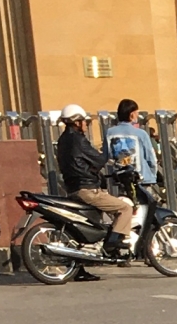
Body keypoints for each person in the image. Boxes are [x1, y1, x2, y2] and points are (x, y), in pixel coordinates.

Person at [55, 103, 135, 278]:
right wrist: (109, 154)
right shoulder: (78, 140)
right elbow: (98, 160)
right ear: (77, 122)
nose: (85, 125)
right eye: (84, 121)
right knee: (124, 208)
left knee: (90, 226)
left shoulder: (62, 140)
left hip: (73, 188)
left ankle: (79, 269)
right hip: (88, 189)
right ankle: (112, 244)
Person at [105, 98, 160, 192]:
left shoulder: (110, 133)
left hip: (120, 179)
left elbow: (107, 156)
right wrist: (152, 175)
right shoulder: (140, 134)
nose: (138, 115)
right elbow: (151, 158)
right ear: (132, 115)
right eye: (137, 113)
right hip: (142, 179)